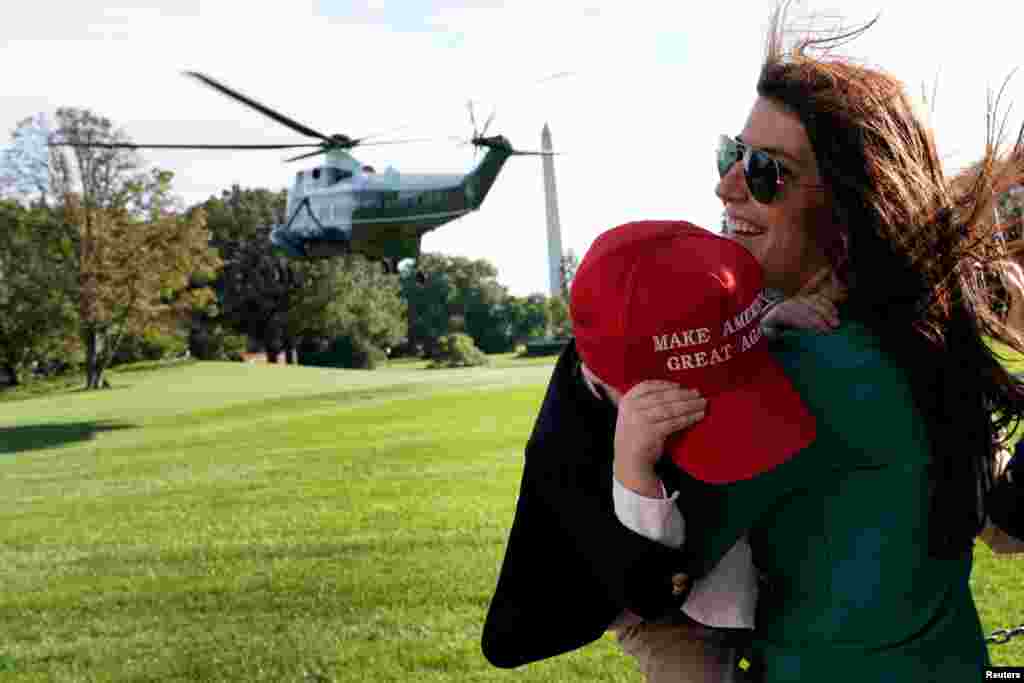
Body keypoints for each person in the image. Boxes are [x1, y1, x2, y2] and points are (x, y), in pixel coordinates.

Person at [485, 2, 1024, 681]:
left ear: (848, 204)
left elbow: (646, 583)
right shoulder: (918, 337)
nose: (726, 184)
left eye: (765, 171)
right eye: (731, 154)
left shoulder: (804, 370)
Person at [482, 221, 838, 683]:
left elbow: (700, 346)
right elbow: (647, 591)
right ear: (617, 384)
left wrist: (759, 326)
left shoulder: (644, 344)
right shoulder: (568, 455)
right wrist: (634, 473)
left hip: (750, 576)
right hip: (664, 610)